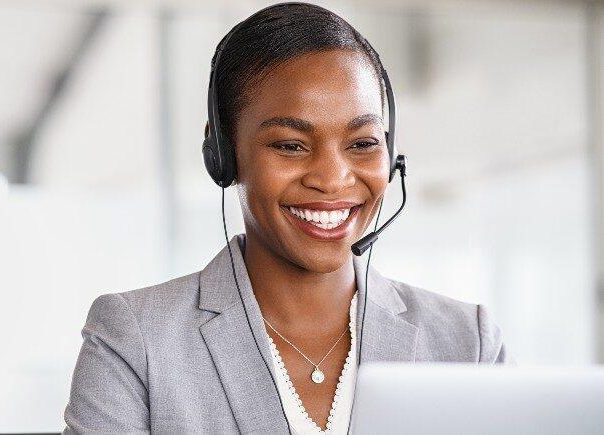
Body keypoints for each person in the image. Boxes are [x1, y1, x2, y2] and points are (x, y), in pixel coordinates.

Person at [63, 3, 509, 434]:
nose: (333, 180)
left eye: (362, 143)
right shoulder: (135, 339)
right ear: (222, 154)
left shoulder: (466, 342)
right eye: (290, 145)